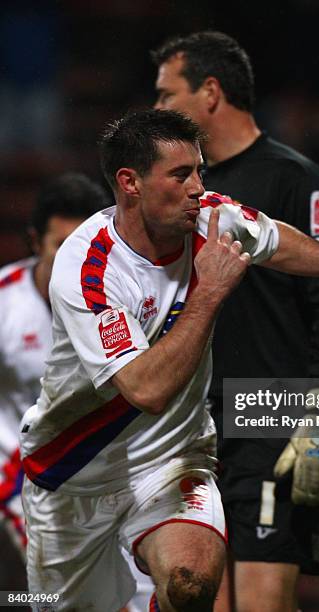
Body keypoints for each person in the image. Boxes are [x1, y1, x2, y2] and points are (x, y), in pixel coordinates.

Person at [19, 109, 319, 612]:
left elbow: (277, 242)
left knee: (192, 584)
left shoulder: (212, 217)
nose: (198, 187)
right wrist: (210, 290)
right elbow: (145, 390)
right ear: (130, 183)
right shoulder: (90, 267)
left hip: (170, 463)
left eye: (199, 171)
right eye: (180, 175)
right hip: (73, 473)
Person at [151, 31, 319, 611]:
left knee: (262, 602)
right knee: (200, 600)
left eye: (168, 96)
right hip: (195, 426)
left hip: (271, 415)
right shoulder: (179, 191)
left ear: (210, 92)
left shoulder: (298, 180)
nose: (159, 110)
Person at [0, 172, 153, 611]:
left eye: (78, 244)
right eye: (58, 245)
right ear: (34, 241)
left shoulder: (121, 298)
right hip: (24, 473)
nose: (69, 258)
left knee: (140, 590)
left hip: (108, 468)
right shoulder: (5, 303)